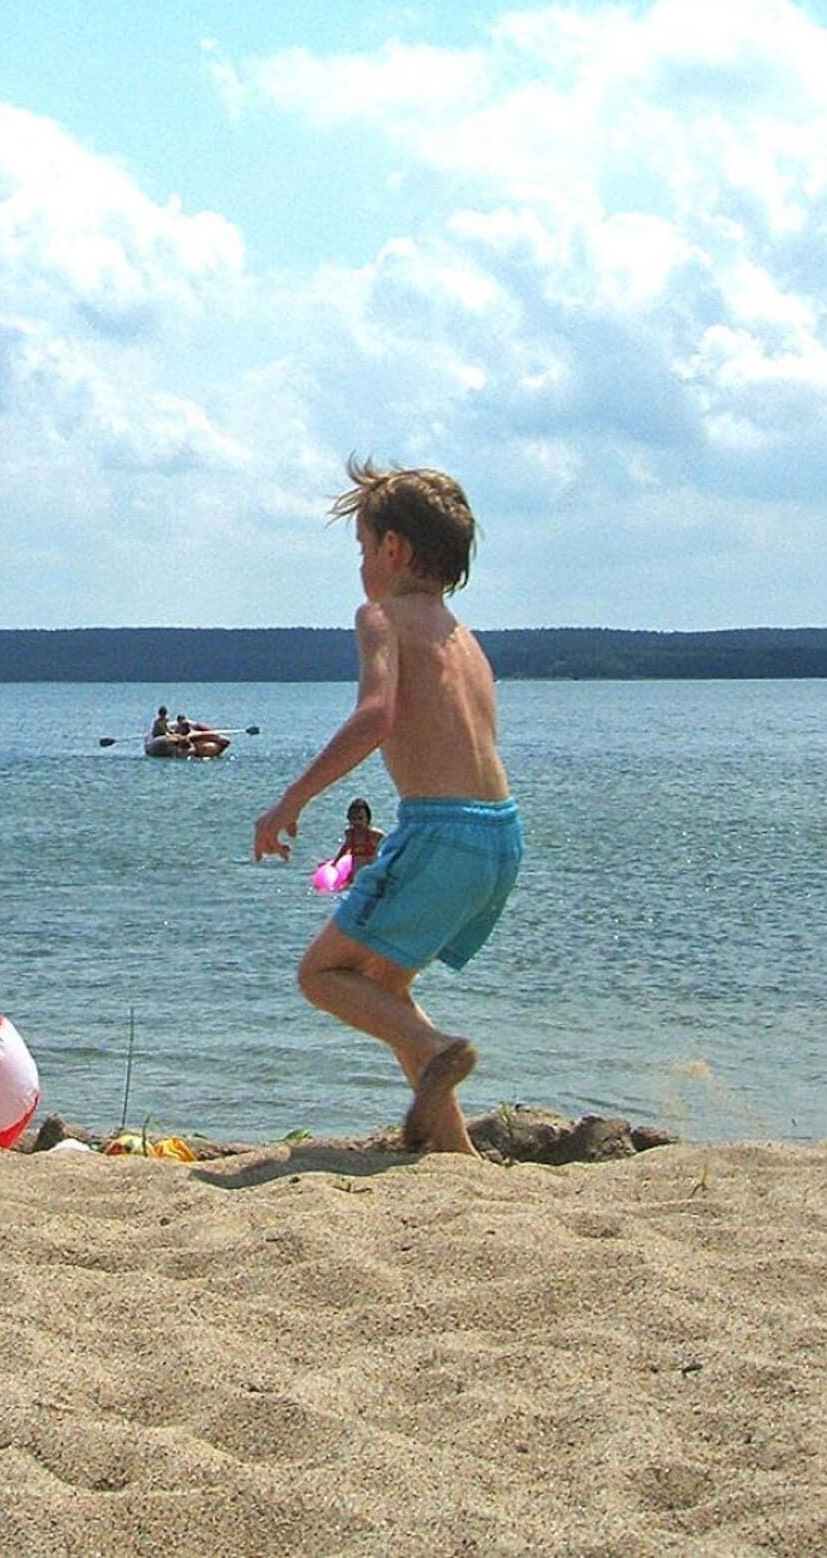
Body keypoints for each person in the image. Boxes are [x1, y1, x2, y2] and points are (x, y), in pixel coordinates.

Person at [253, 460, 518, 1157]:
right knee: (387, 985)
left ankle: (434, 1046)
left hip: (441, 831)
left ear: (394, 550)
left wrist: (291, 799)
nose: (364, 566)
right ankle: (452, 1151)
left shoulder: (381, 617)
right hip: (501, 835)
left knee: (322, 975)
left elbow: (376, 717)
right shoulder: (465, 640)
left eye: (364, 549)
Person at [320, 798, 384, 878]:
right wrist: (334, 863)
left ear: (368, 819)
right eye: (353, 818)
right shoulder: (350, 834)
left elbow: (389, 851)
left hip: (372, 875)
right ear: (349, 819)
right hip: (356, 874)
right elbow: (345, 848)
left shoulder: (376, 835)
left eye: (360, 818)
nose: (357, 822)